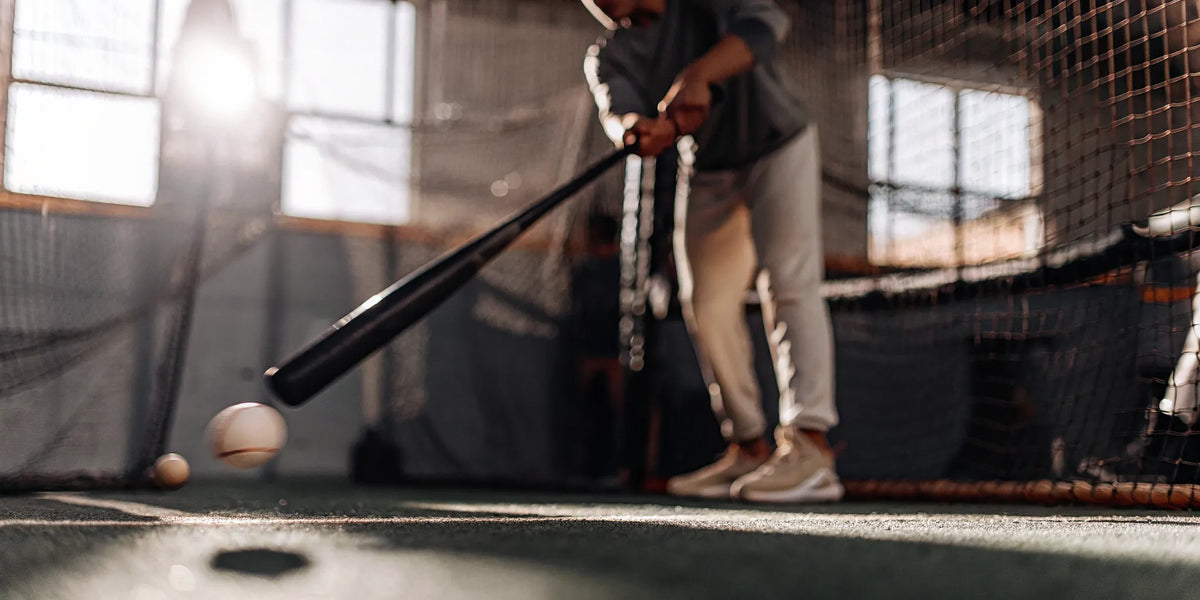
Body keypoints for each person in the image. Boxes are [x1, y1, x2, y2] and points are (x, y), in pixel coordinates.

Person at [580, 0, 841, 502]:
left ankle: (810, 447)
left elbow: (766, 24)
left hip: (777, 144)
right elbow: (617, 111)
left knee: (787, 281)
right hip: (708, 166)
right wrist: (639, 128)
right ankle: (747, 448)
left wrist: (699, 74)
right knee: (706, 304)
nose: (609, 9)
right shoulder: (609, 53)